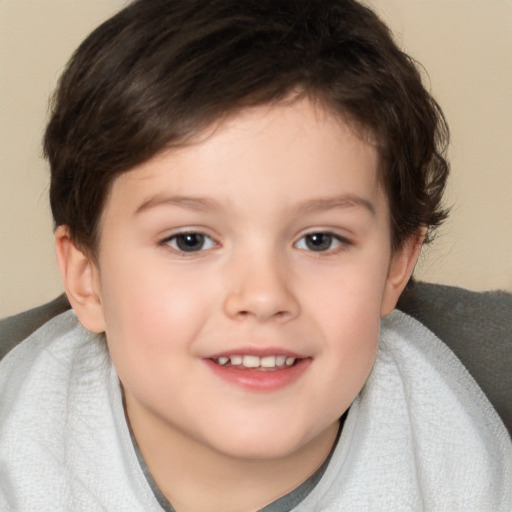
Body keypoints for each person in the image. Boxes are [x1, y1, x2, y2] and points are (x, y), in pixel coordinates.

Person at [0, 0, 510, 510]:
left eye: (319, 240)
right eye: (189, 240)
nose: (264, 296)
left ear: (397, 265)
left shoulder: (467, 432)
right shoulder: (21, 450)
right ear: (86, 276)